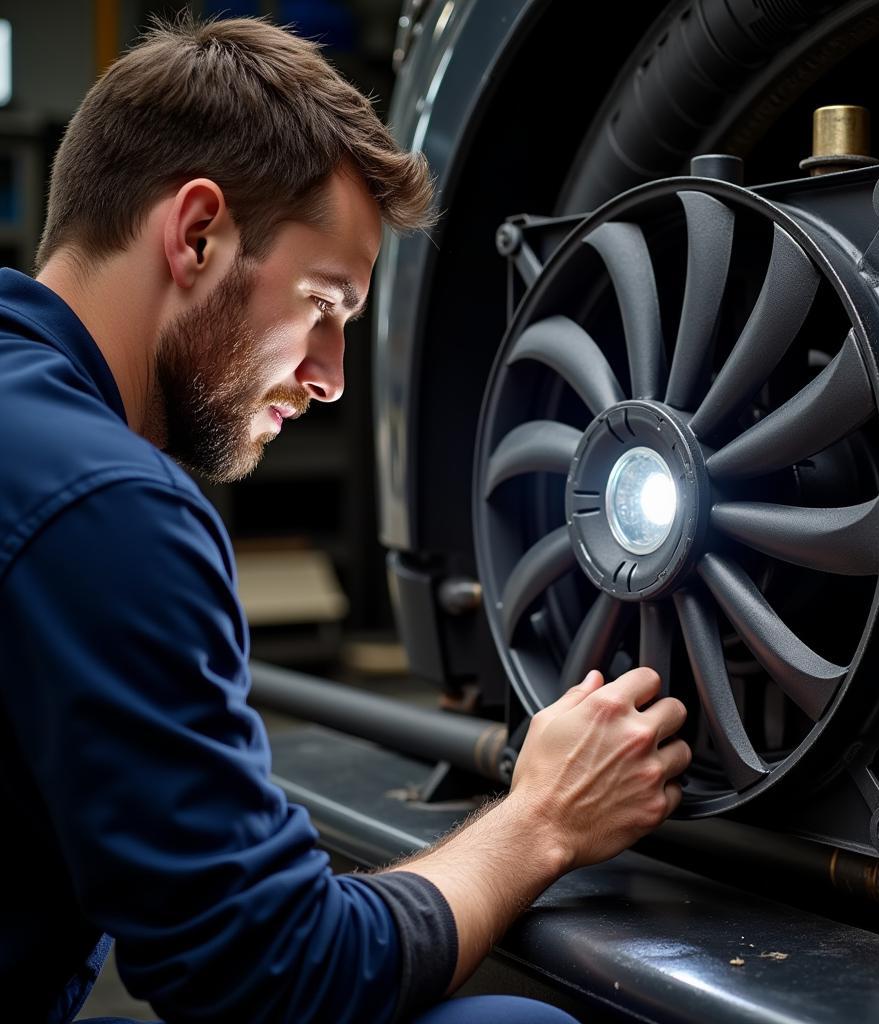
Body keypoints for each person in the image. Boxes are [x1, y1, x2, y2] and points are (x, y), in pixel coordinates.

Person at [0, 15, 692, 1024]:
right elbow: (275, 977)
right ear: (197, 234)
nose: (328, 378)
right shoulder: (109, 505)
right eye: (323, 304)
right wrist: (541, 817)